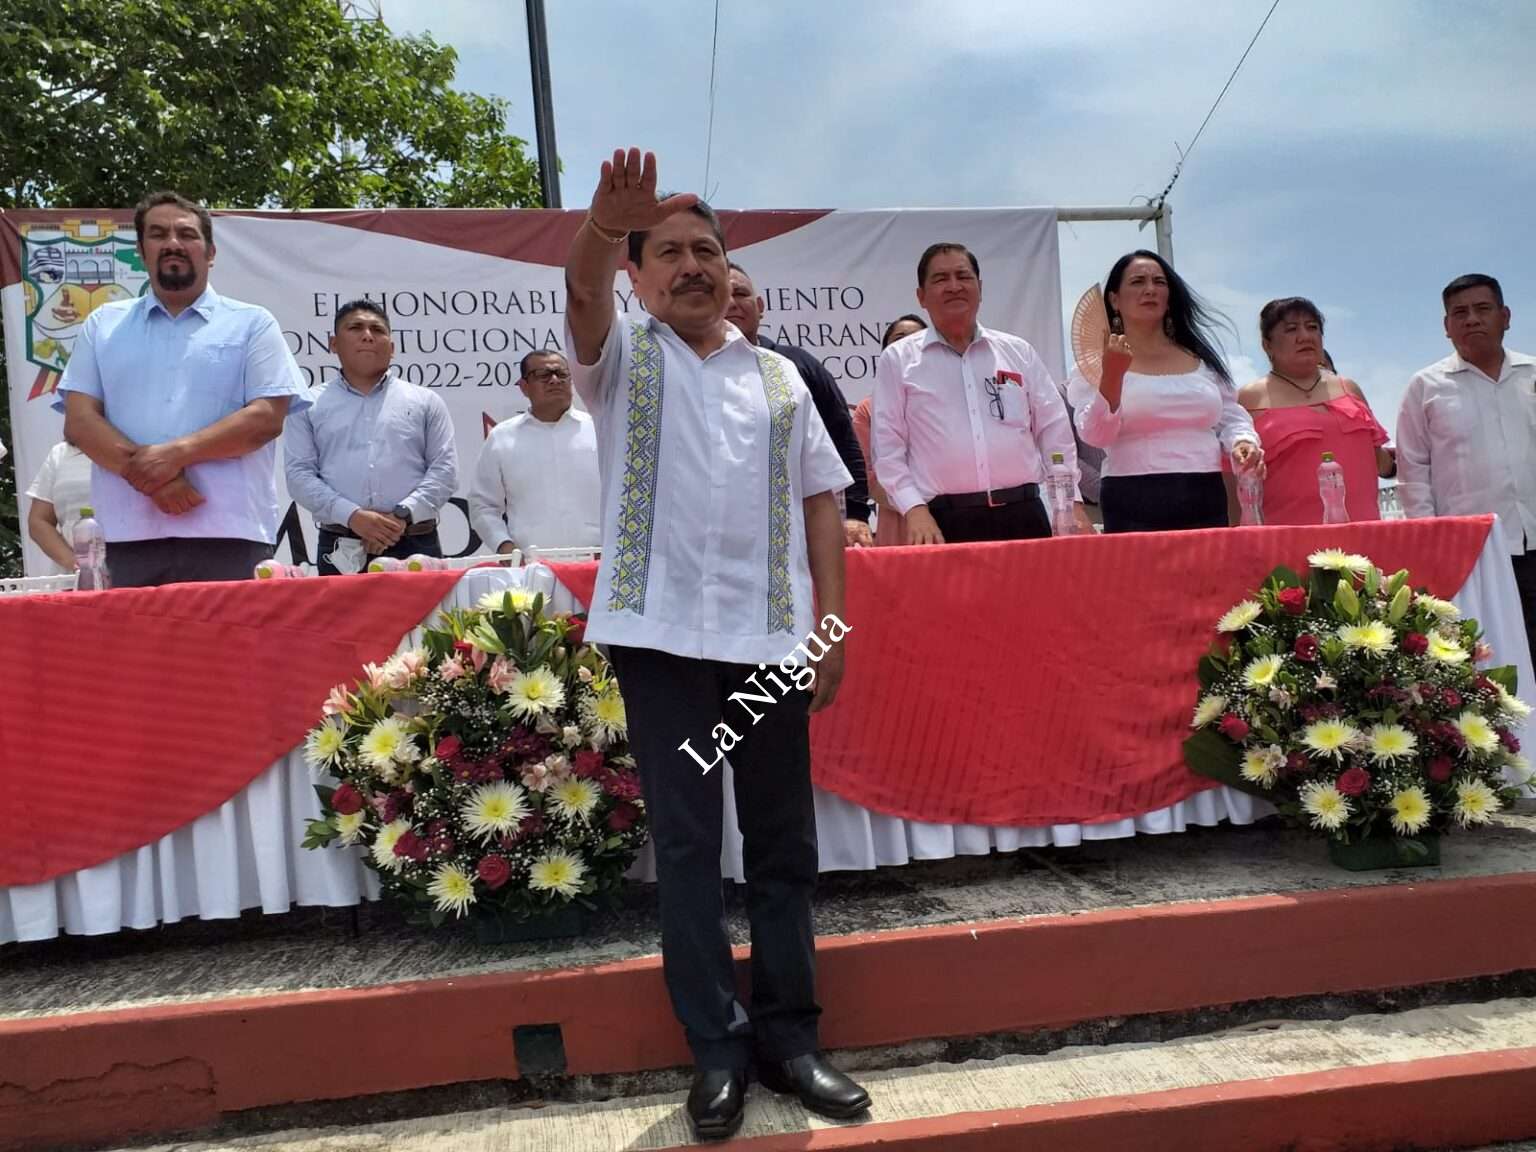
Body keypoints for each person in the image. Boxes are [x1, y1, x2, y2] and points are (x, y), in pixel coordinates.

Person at [565, 148, 868, 1141]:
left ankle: (792, 1041)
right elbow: (581, 293)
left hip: (770, 644)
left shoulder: (780, 377)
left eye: (706, 250)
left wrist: (829, 628)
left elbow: (822, 505)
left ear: (728, 267)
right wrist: (602, 225)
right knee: (691, 850)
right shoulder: (620, 358)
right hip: (659, 645)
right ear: (638, 274)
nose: (692, 266)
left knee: (782, 847)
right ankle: (717, 1050)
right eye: (668, 252)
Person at [56, 191, 309, 586]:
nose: (173, 243)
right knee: (129, 632)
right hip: (125, 537)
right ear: (141, 251)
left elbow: (265, 419)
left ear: (211, 252)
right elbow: (80, 422)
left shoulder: (253, 324)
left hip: (229, 533)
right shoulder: (103, 325)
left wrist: (175, 455)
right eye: (158, 234)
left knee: (232, 632)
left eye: (187, 234)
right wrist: (158, 479)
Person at [873, 242, 1083, 545]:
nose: (954, 286)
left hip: (1024, 516)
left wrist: (1070, 503)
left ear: (980, 288)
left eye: (963, 276)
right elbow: (887, 450)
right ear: (921, 296)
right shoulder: (898, 360)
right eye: (940, 279)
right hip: (941, 524)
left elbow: (1055, 432)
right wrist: (914, 509)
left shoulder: (1018, 352)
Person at [1067, 250, 1261, 534]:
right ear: (1114, 299)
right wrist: (1112, 377)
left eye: (1159, 282)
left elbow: (1231, 416)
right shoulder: (1098, 362)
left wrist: (1242, 442)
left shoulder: (1203, 360)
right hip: (1131, 495)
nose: (1150, 289)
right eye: (1137, 282)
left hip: (1204, 491)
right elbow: (1096, 435)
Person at [1398, 273, 1536, 652]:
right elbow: (1412, 470)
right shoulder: (1425, 387)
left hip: (1533, 537)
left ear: (1505, 316)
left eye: (1482, 309)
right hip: (1471, 552)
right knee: (1489, 655)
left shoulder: (1531, 375)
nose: (1472, 319)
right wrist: (1429, 541)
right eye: (1460, 313)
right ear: (1447, 326)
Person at [284, 300, 458, 575]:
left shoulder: (425, 401)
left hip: (416, 541)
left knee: (427, 607)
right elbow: (299, 475)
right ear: (333, 344)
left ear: (392, 347)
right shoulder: (308, 405)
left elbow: (445, 471)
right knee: (344, 607)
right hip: (342, 544)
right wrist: (353, 516)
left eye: (377, 330)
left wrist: (401, 516)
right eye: (355, 328)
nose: (367, 335)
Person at [724, 263, 873, 547]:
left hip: (803, 523)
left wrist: (855, 513)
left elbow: (842, 439)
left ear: (760, 306)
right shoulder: (693, 371)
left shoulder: (796, 365)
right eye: (723, 295)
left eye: (740, 294)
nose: (732, 303)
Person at [1237, 298, 1394, 524]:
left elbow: (1380, 460)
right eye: (1291, 329)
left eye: (1312, 327)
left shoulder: (1349, 389)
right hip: (1287, 536)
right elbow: (1234, 481)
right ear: (1267, 345)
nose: (1305, 336)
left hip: (1364, 530)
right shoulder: (1249, 398)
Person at [468, 350, 601, 556]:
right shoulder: (502, 437)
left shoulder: (599, 430)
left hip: (599, 562)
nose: (554, 380)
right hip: (531, 566)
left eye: (561, 374)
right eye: (543, 375)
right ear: (524, 387)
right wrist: (504, 546)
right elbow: (483, 505)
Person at [852, 315, 927, 545]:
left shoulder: (951, 401)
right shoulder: (869, 409)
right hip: (900, 519)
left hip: (956, 514)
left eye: (917, 338)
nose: (907, 344)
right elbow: (865, 475)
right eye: (899, 338)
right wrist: (916, 505)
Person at [25, 439, 93, 573]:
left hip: (130, 567)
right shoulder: (60, 453)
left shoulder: (135, 445)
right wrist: (74, 563)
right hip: (74, 576)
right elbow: (39, 520)